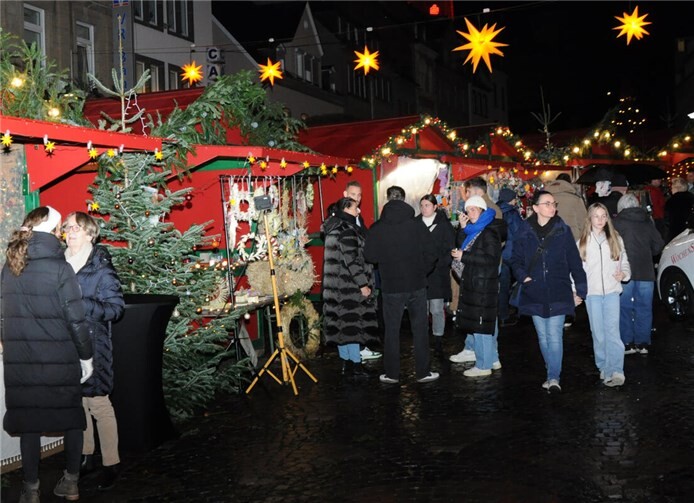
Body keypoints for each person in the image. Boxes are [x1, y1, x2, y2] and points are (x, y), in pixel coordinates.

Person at [1, 206, 93, 502]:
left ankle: (30, 489)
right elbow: (76, 319)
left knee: (29, 424)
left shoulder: (10, 265)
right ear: (53, 231)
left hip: (22, 361)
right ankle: (71, 483)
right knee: (72, 419)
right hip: (59, 360)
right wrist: (86, 357)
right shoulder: (60, 268)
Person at [63, 211, 125, 490]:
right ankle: (87, 456)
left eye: (77, 227)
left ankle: (111, 463)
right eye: (67, 227)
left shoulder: (101, 268)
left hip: (94, 345)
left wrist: (82, 303)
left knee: (99, 403)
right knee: (79, 402)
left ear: (90, 233)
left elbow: (115, 309)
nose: (70, 232)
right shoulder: (59, 265)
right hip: (66, 344)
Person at [511, 191, 587, 392]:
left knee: (554, 335)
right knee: (543, 336)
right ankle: (550, 371)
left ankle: (554, 377)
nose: (552, 207)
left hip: (558, 289)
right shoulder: (524, 230)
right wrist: (523, 277)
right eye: (547, 203)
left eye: (554, 203)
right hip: (534, 290)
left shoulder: (563, 230)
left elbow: (574, 260)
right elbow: (515, 259)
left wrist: (581, 289)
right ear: (535, 208)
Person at [364, 186, 439, 384]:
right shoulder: (417, 226)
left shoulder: (377, 228)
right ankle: (423, 372)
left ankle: (392, 374)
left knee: (391, 331)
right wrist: (422, 271)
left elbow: (369, 256)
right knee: (420, 329)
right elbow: (432, 253)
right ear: (404, 199)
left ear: (387, 199)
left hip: (391, 286)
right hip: (417, 284)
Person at [449, 195, 506, 377]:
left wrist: (463, 256)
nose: (470, 213)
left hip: (483, 284)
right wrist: (462, 228)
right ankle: (493, 359)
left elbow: (491, 260)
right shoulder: (475, 229)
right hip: (476, 282)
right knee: (486, 324)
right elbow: (463, 244)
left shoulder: (488, 231)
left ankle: (483, 366)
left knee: (481, 326)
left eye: (474, 209)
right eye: (468, 210)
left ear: (482, 210)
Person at [321, 198, 379, 377]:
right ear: (346, 209)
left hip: (336, 287)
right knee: (352, 325)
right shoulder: (346, 229)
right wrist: (363, 284)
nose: (358, 211)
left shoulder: (333, 227)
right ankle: (356, 364)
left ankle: (346, 363)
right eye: (355, 208)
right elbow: (351, 260)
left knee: (341, 326)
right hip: (349, 287)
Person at [578, 203, 631, 387]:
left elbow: (624, 262)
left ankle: (616, 370)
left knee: (612, 332)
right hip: (592, 294)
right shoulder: (582, 242)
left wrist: (624, 274)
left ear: (608, 218)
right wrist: (576, 291)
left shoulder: (615, 239)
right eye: (596, 216)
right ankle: (603, 365)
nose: (600, 220)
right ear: (590, 218)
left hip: (611, 292)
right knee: (598, 333)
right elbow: (577, 271)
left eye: (603, 216)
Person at [613, 194, 665, 355]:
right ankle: (642, 343)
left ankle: (627, 342)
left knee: (624, 308)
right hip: (646, 271)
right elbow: (658, 245)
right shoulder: (647, 221)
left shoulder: (616, 223)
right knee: (644, 307)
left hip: (624, 273)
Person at [342, 180, 382, 362]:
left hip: (361, 272)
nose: (356, 199)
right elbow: (349, 255)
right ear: (345, 195)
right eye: (353, 195)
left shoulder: (358, 217)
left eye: (359, 195)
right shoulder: (343, 219)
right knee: (351, 317)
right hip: (351, 277)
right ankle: (354, 357)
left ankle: (359, 349)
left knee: (359, 315)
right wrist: (362, 282)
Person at [417, 194, 455, 355]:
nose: (424, 208)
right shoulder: (415, 224)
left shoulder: (444, 225)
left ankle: (438, 339)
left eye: (427, 205)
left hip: (438, 273)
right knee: (421, 309)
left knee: (437, 308)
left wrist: (441, 263)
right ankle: (422, 339)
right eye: (422, 205)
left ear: (434, 207)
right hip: (420, 273)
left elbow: (450, 248)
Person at [497, 188, 523, 327]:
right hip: (510, 253)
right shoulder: (512, 213)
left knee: (501, 285)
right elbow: (520, 233)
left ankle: (502, 312)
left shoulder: (495, 210)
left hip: (499, 253)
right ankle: (504, 315)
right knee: (508, 284)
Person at [545, 173, 587, 240]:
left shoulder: (543, 199)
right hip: (571, 238)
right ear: (569, 183)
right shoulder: (575, 199)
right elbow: (583, 222)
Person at [664, 177, 694, 243]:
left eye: (672, 188)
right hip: (690, 232)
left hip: (676, 234)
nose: (671, 190)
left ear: (676, 188)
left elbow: (667, 220)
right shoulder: (691, 198)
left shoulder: (672, 201)